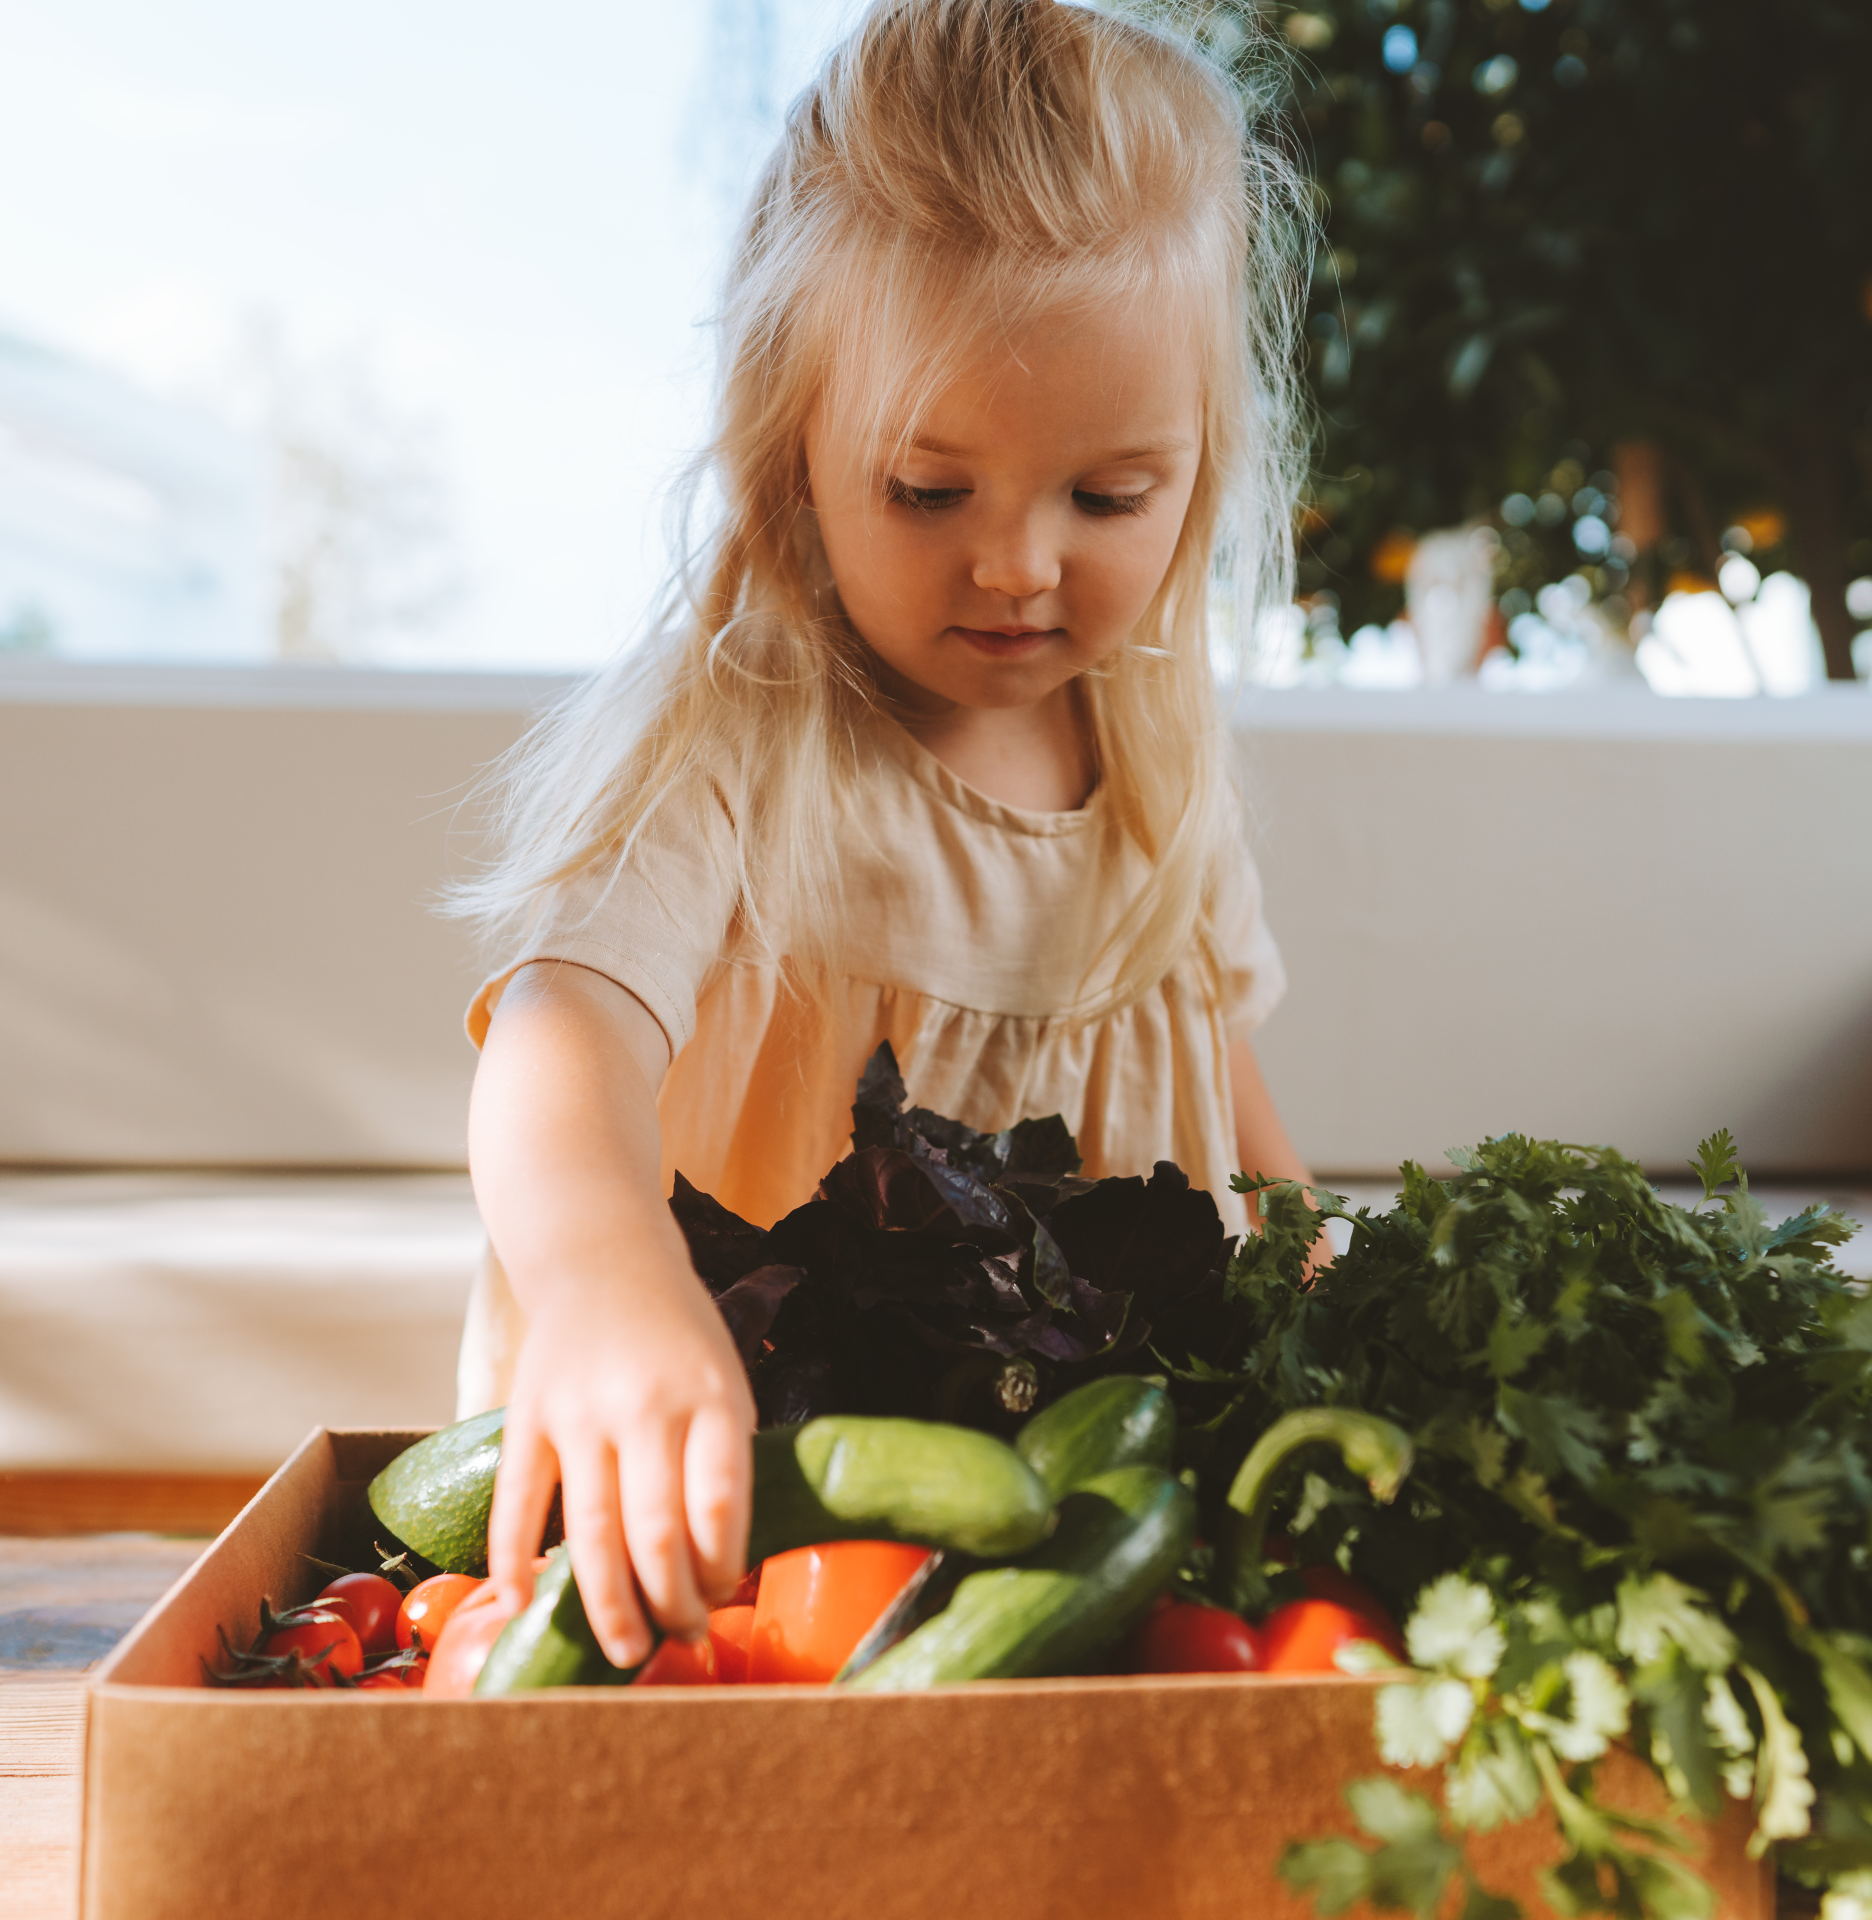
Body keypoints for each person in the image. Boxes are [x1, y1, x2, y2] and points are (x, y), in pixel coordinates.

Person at [453, 0, 1322, 1671]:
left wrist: (1327, 1277)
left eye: (1108, 496)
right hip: (750, 1510)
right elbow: (564, 1030)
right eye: (932, 492)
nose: (1018, 564)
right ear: (796, 456)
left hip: (1058, 1518)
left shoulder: (1150, 762)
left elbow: (1223, 1086)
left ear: (1202, 469)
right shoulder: (737, 731)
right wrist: (606, 1280)